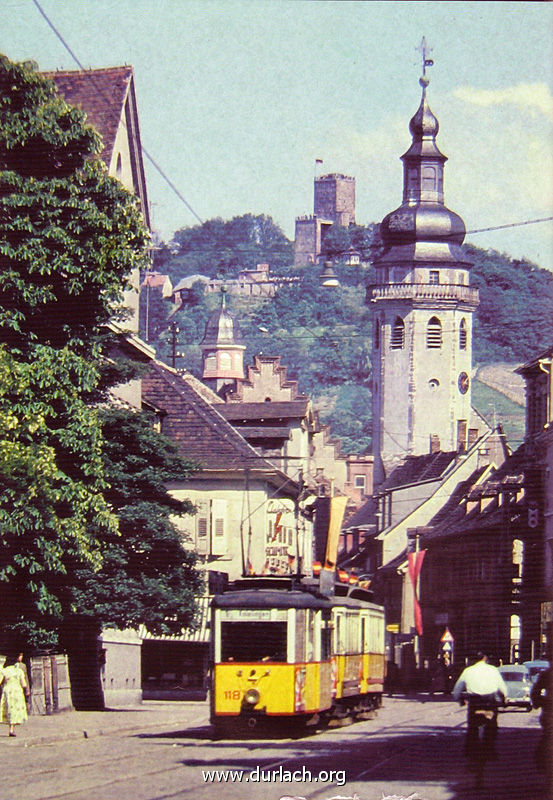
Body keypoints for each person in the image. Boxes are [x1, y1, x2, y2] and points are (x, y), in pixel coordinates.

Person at [452, 652, 507, 758]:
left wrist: (459, 699)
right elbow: (502, 688)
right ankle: (490, 748)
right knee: (492, 726)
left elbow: (457, 689)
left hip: (475, 702)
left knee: (472, 726)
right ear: (485, 658)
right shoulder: (493, 670)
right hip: (490, 702)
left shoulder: (468, 671)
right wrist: (504, 699)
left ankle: (470, 750)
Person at [0, 654, 30, 736]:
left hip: (8, 690)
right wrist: (25, 691)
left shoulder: (4, 671)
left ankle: (11, 727)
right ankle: (12, 729)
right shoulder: (19, 671)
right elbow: (24, 684)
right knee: (14, 709)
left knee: (9, 708)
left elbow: (0, 681)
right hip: (17, 690)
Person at [531, 665, 551, 775]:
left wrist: (539, 702)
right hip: (549, 712)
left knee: (547, 735)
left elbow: (535, 692)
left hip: (548, 712)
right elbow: (535, 691)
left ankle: (541, 761)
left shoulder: (546, 674)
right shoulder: (546, 674)